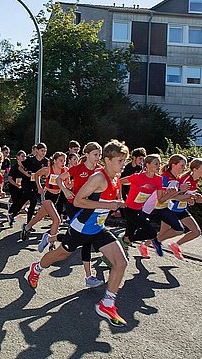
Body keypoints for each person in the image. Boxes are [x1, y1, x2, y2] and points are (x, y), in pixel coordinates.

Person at [26, 139, 130, 327]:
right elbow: (79, 201)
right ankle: (37, 268)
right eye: (120, 161)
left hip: (97, 228)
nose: (123, 164)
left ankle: (107, 304)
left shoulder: (114, 178)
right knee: (60, 255)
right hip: (81, 227)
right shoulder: (98, 178)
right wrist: (107, 205)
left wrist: (117, 204)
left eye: (124, 160)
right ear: (107, 160)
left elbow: (106, 202)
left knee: (121, 262)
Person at [55, 142, 103, 286]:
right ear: (87, 154)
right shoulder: (78, 168)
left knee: (84, 240)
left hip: (90, 208)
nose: (98, 157)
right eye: (95, 154)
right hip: (74, 206)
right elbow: (59, 179)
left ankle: (89, 277)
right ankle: (51, 238)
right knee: (80, 239)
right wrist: (65, 190)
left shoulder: (100, 171)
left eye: (99, 155)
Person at [118, 154, 178, 258]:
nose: (158, 166)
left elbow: (160, 200)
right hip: (129, 209)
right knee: (152, 233)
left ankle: (119, 247)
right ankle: (125, 242)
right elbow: (119, 182)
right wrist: (120, 199)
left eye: (159, 164)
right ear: (147, 165)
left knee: (130, 233)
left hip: (139, 210)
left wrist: (170, 194)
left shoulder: (158, 179)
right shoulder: (137, 177)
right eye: (156, 163)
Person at [155, 156, 202, 260]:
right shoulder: (184, 179)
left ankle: (175, 245)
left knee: (196, 232)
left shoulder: (195, 180)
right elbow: (173, 197)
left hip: (181, 209)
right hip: (171, 209)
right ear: (195, 170)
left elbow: (189, 195)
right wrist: (189, 198)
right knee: (162, 235)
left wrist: (199, 198)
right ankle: (145, 244)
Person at [7, 150, 27, 227]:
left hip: (22, 186)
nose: (24, 158)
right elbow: (9, 178)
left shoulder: (25, 167)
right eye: (22, 156)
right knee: (16, 202)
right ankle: (11, 214)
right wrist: (15, 184)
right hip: (14, 186)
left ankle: (11, 214)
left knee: (20, 202)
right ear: (18, 157)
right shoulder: (14, 167)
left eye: (25, 156)